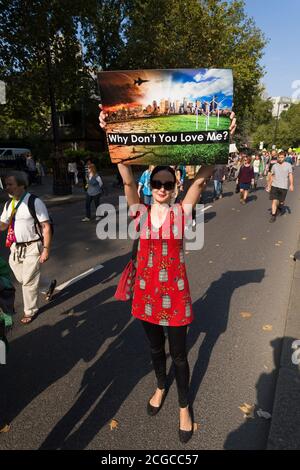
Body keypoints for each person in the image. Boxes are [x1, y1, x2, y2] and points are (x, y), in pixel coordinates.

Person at [99, 105, 237, 444]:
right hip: (145, 295)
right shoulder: (139, 212)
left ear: (175, 187)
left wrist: (224, 137)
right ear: (152, 186)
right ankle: (161, 386)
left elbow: (202, 178)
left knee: (179, 354)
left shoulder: (181, 212)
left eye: (168, 183)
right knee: (155, 351)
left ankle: (183, 406)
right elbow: (127, 177)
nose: (162, 187)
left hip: (174, 295)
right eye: (157, 183)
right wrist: (111, 136)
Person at [0, 171, 52, 324]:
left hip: (33, 246)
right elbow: (3, 225)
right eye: (6, 185)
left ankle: (30, 311)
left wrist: (46, 249)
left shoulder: (34, 202)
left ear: (21, 185)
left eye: (10, 185)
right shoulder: (9, 204)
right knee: (23, 279)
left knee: (28, 281)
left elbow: (46, 227)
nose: (7, 188)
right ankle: (48, 285)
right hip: (16, 249)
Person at [267, 151, 294, 223]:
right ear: (277, 157)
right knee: (274, 200)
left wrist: (291, 184)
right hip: (275, 186)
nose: (281, 159)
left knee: (281, 202)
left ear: (285, 157)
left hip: (284, 186)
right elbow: (272, 176)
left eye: (282, 157)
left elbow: (290, 175)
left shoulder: (288, 165)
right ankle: (273, 215)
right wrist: (269, 185)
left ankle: (280, 206)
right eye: (279, 157)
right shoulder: (274, 166)